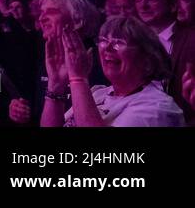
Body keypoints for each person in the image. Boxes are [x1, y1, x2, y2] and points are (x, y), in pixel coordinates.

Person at [41, 15, 184, 127]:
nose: (107, 48)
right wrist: (56, 85)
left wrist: (78, 78)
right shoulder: (98, 93)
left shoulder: (156, 107)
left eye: (118, 42)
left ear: (147, 60)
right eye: (103, 40)